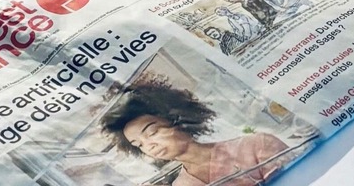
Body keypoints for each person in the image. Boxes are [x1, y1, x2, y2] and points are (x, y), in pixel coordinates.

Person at [100, 76, 296, 186]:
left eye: (152, 132)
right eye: (139, 145)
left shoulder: (256, 145)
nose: (149, 145)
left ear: (177, 120)